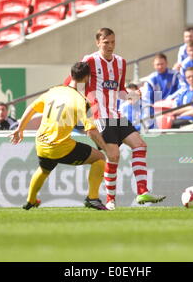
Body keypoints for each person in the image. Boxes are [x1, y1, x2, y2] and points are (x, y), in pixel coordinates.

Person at [79, 27, 166, 210]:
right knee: (114, 156)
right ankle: (111, 200)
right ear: (98, 43)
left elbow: (120, 92)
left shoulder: (120, 62)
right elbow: (74, 77)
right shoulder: (90, 60)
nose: (110, 46)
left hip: (116, 116)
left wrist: (132, 96)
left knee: (140, 145)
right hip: (100, 117)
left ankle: (142, 192)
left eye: (112, 42)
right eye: (106, 43)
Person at [10, 62, 116, 211]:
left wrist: (19, 129)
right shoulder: (80, 100)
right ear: (87, 78)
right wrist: (106, 149)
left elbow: (32, 108)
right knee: (99, 158)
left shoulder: (53, 91)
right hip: (59, 146)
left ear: (71, 75)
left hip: (41, 143)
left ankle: (31, 200)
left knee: (44, 169)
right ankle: (92, 198)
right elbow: (91, 131)